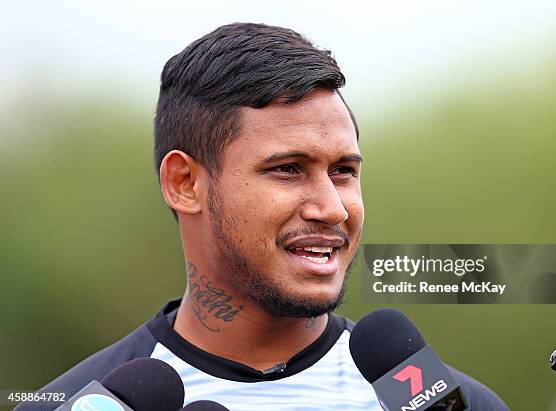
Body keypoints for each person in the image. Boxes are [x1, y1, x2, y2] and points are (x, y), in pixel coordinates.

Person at [16, 23, 508, 410]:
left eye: (342, 171)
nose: (332, 208)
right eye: (288, 169)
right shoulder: (78, 402)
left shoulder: (451, 402)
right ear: (185, 184)